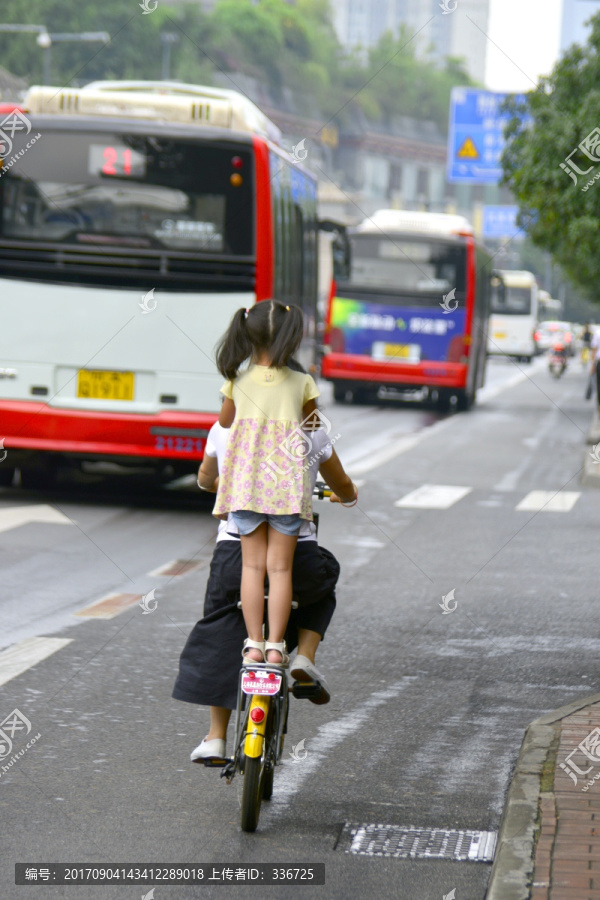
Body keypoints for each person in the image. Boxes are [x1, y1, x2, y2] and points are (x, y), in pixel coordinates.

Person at [172, 418, 357, 762]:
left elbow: (205, 478)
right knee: (323, 580)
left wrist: (214, 482)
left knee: (224, 619)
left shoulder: (225, 427)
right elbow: (342, 483)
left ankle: (215, 736)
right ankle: (304, 656)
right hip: (297, 555)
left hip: (234, 556)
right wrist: (347, 494)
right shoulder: (309, 429)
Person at [212, 300, 322, 668]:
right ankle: (276, 646)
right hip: (285, 489)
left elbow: (225, 423)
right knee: (280, 571)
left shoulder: (236, 381)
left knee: (252, 569)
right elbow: (312, 428)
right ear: (291, 338)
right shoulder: (302, 382)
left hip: (246, 487)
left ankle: (254, 643)